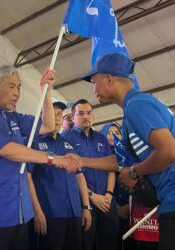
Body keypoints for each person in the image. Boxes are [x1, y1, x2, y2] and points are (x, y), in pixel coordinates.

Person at [0, 65, 79, 250]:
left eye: (19, 87)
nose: (17, 92)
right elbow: (8, 150)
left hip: (18, 213)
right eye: (11, 86)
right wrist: (54, 158)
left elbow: (48, 125)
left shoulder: (13, 117)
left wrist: (46, 91)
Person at [69, 53, 175, 250]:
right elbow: (119, 161)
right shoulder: (130, 113)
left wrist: (135, 172)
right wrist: (81, 161)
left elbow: (169, 151)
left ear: (109, 79)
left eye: (94, 82)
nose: (93, 89)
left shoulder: (138, 105)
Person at [27, 101, 92, 250]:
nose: (56, 118)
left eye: (58, 114)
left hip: (74, 214)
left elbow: (79, 175)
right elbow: (27, 177)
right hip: (50, 215)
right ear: (43, 116)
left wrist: (86, 207)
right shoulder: (34, 142)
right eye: (51, 114)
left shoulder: (68, 142)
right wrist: (37, 211)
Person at [62, 99, 119, 250]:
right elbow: (70, 176)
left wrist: (108, 193)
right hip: (85, 204)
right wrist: (92, 196)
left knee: (110, 244)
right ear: (73, 117)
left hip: (107, 203)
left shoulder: (101, 138)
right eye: (81, 113)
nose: (86, 116)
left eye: (89, 113)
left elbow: (111, 168)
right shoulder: (66, 140)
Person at [100, 122, 136, 250]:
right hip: (108, 205)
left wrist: (128, 205)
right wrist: (116, 205)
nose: (112, 136)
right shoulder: (99, 157)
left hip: (130, 207)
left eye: (116, 133)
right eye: (109, 133)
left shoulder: (128, 156)